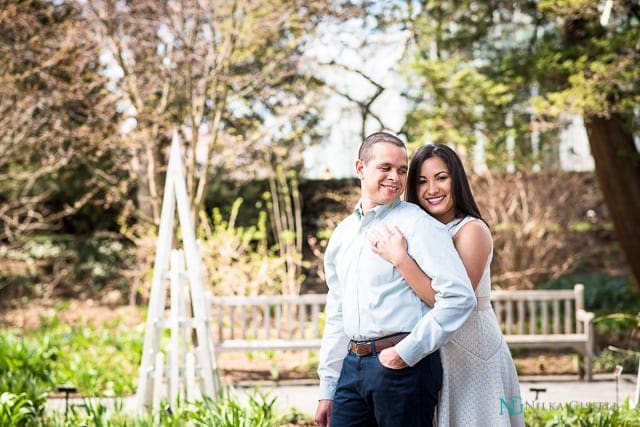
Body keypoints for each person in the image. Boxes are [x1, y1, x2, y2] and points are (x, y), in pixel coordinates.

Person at [314, 132, 476, 427]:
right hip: (351, 369)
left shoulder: (419, 225)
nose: (396, 177)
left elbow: (459, 297)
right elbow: (337, 313)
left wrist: (406, 352)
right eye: (385, 168)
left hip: (404, 369)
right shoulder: (343, 234)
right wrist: (328, 386)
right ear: (361, 169)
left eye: (402, 171)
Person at [368, 143, 524, 426]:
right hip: (435, 348)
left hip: (471, 349)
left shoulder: (471, 230)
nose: (432, 189)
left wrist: (400, 259)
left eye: (441, 177)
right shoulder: (421, 231)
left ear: (456, 180)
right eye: (422, 181)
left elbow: (448, 300)